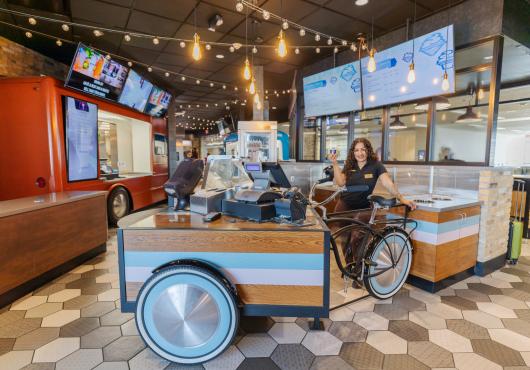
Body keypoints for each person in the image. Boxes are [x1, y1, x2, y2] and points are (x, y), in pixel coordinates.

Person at [329, 137, 416, 265]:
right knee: (345, 237)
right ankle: (349, 266)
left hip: (363, 207)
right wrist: (335, 163)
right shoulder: (350, 164)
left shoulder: (376, 165)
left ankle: (358, 269)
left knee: (356, 237)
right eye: (357, 150)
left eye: (363, 149)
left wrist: (401, 198)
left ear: (368, 150)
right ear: (353, 152)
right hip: (344, 205)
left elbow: (388, 183)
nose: (360, 153)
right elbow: (340, 182)